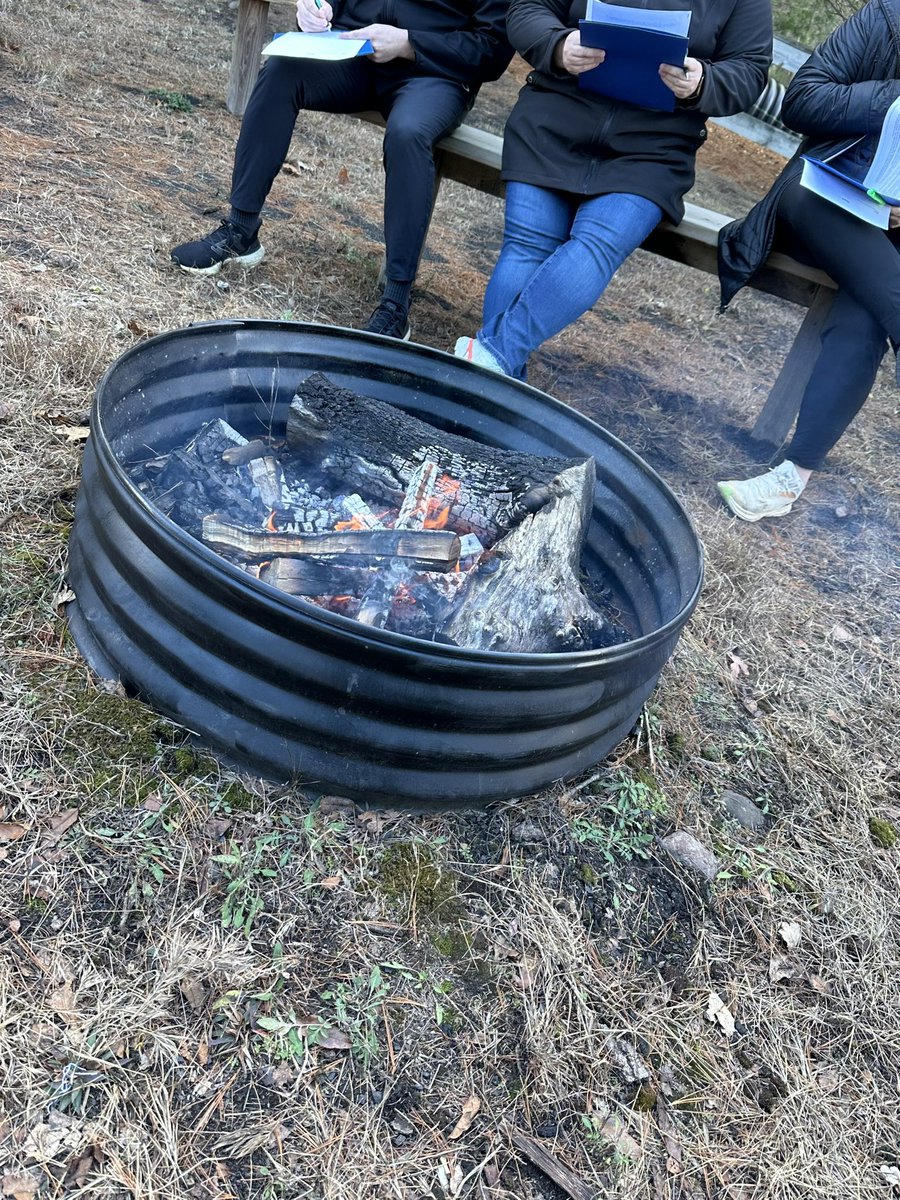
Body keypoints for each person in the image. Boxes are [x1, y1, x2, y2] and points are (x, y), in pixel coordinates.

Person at [452, 0, 772, 378]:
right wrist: (558, 45)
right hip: (553, 123)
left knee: (598, 242)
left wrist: (703, 81)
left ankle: (488, 364)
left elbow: (750, 69)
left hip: (654, 150)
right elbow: (528, 8)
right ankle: (495, 377)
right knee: (527, 244)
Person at [171, 0, 513, 340]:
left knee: (408, 134)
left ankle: (395, 304)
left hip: (434, 74)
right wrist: (320, 7)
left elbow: (493, 49)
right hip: (353, 50)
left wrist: (410, 43)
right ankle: (240, 231)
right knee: (281, 70)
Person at [717, 0, 900, 522]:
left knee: (866, 314)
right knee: (801, 192)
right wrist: (892, 100)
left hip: (891, 236)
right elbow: (803, 99)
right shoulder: (887, 18)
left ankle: (791, 477)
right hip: (825, 202)